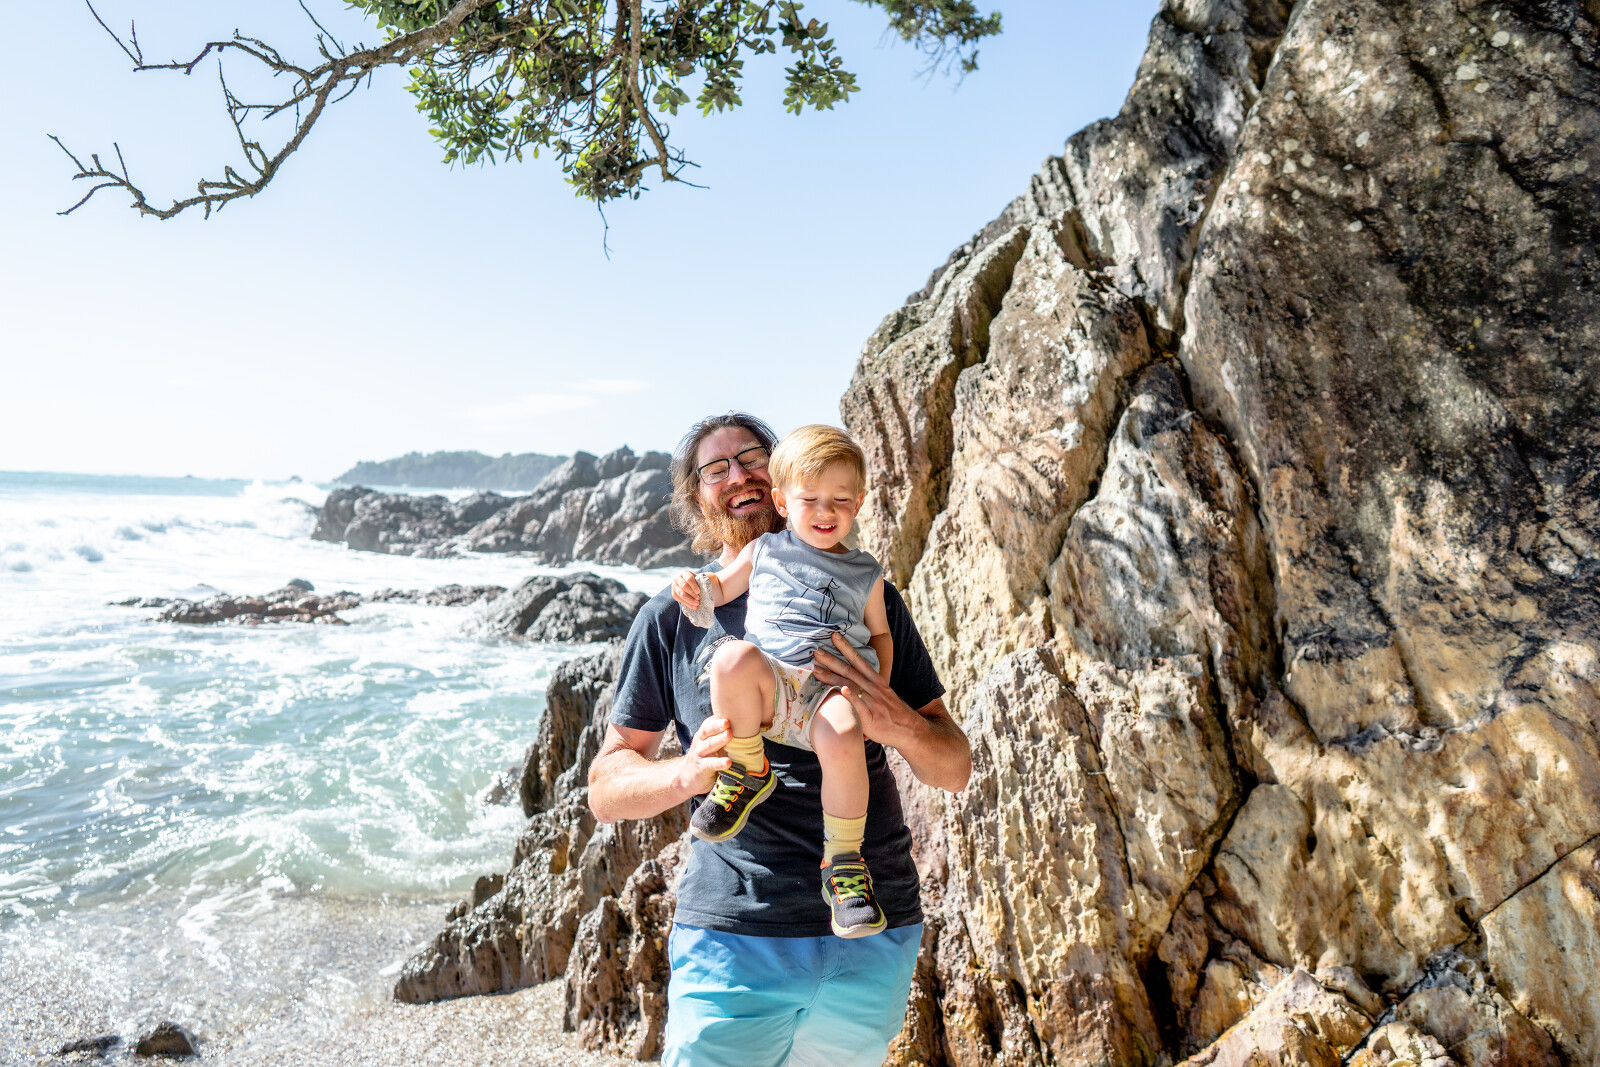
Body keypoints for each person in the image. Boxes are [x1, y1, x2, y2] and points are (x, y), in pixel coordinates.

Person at [587, 412, 972, 1067]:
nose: (737, 476)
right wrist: (686, 773)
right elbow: (605, 788)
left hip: (870, 926)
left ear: (781, 475)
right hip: (734, 935)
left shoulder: (863, 593)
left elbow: (954, 767)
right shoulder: (670, 620)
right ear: (697, 497)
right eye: (716, 469)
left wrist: (896, 720)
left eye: (750, 458)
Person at [669, 424, 895, 939]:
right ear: (782, 502)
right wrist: (691, 586)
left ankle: (843, 863)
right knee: (730, 658)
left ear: (859, 503)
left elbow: (880, 633)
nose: (824, 511)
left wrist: (877, 686)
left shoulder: (866, 572)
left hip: (826, 695)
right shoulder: (765, 549)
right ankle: (749, 768)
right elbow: (719, 588)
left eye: (840, 499)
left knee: (845, 734)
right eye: (809, 499)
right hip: (771, 687)